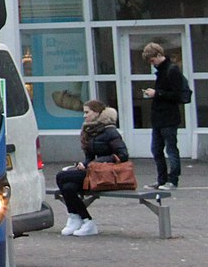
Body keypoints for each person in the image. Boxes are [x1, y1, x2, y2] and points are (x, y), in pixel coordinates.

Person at [56, 100, 129, 238]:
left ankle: (76, 217)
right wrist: (84, 164)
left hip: (107, 174)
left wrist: (96, 162)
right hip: (93, 171)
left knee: (61, 177)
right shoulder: (90, 131)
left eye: (87, 112)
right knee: (68, 187)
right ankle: (85, 221)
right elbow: (89, 157)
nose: (84, 116)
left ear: (97, 113)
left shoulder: (110, 131)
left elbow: (123, 155)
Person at [141, 42, 188, 189]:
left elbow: (177, 95)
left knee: (171, 149)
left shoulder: (172, 70)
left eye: (152, 60)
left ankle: (173, 180)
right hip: (159, 118)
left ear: (159, 55)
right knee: (156, 150)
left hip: (169, 117)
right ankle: (162, 179)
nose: (152, 63)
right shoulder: (162, 71)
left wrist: (157, 94)